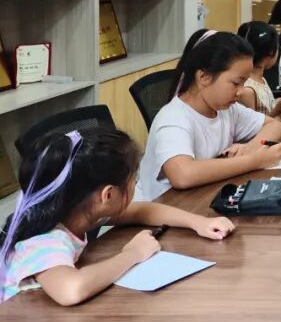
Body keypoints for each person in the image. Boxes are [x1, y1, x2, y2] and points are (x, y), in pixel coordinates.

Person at [1, 128, 235, 305]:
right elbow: (72, 290)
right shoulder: (45, 241)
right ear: (108, 195)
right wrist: (133, 254)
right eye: (134, 180)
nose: (135, 185)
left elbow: (143, 210)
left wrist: (198, 222)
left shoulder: (75, 210)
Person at [136, 30, 281, 201]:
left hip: (203, 196)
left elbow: (276, 126)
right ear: (204, 77)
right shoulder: (173, 119)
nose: (241, 91)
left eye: (244, 83)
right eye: (236, 83)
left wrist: (250, 148)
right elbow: (183, 174)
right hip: (163, 207)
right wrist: (254, 161)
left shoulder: (226, 108)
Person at [236, 21, 281, 116]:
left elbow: (267, 106)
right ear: (271, 52)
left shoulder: (260, 78)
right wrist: (277, 110)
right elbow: (254, 124)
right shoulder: (248, 90)